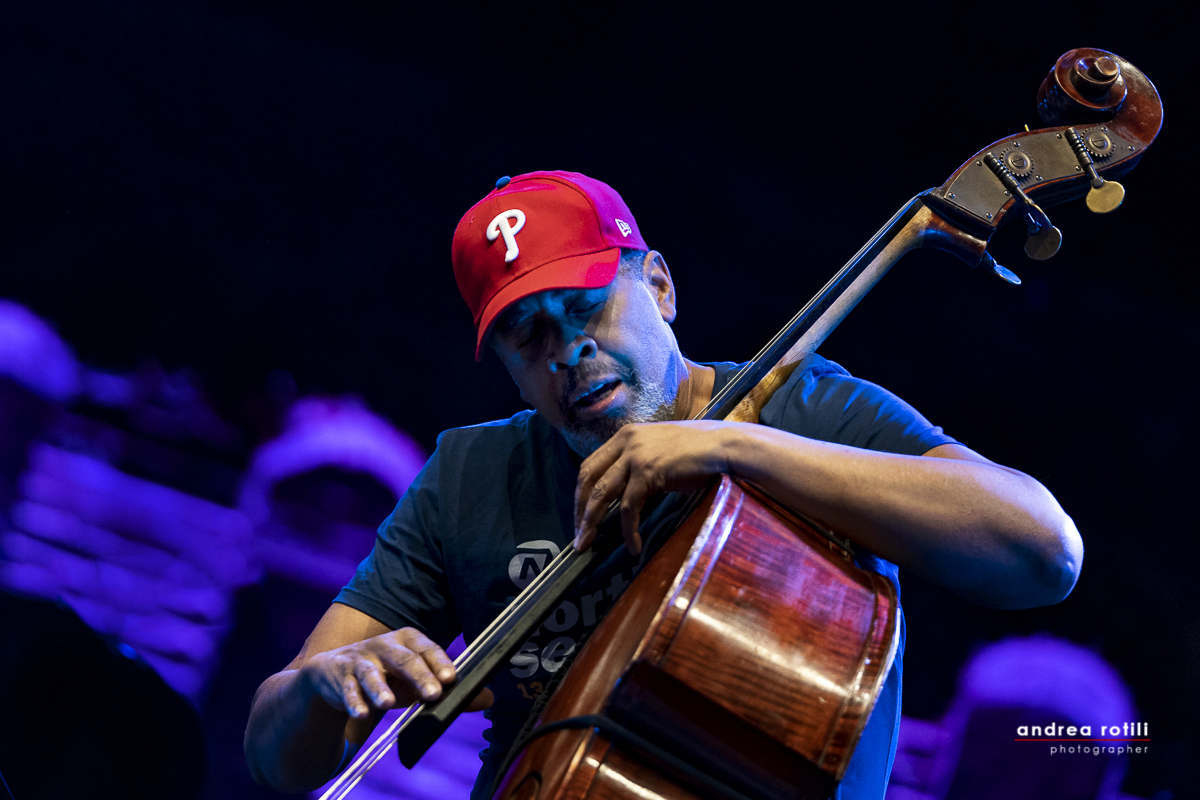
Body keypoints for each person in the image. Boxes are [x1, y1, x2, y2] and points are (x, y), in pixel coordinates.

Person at [244, 171, 1083, 799]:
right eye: (527, 337)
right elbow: (275, 751)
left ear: (658, 286)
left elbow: (1043, 550)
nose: (568, 352)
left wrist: (735, 450)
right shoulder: (470, 476)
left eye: (587, 308)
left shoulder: (800, 405)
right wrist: (324, 687)